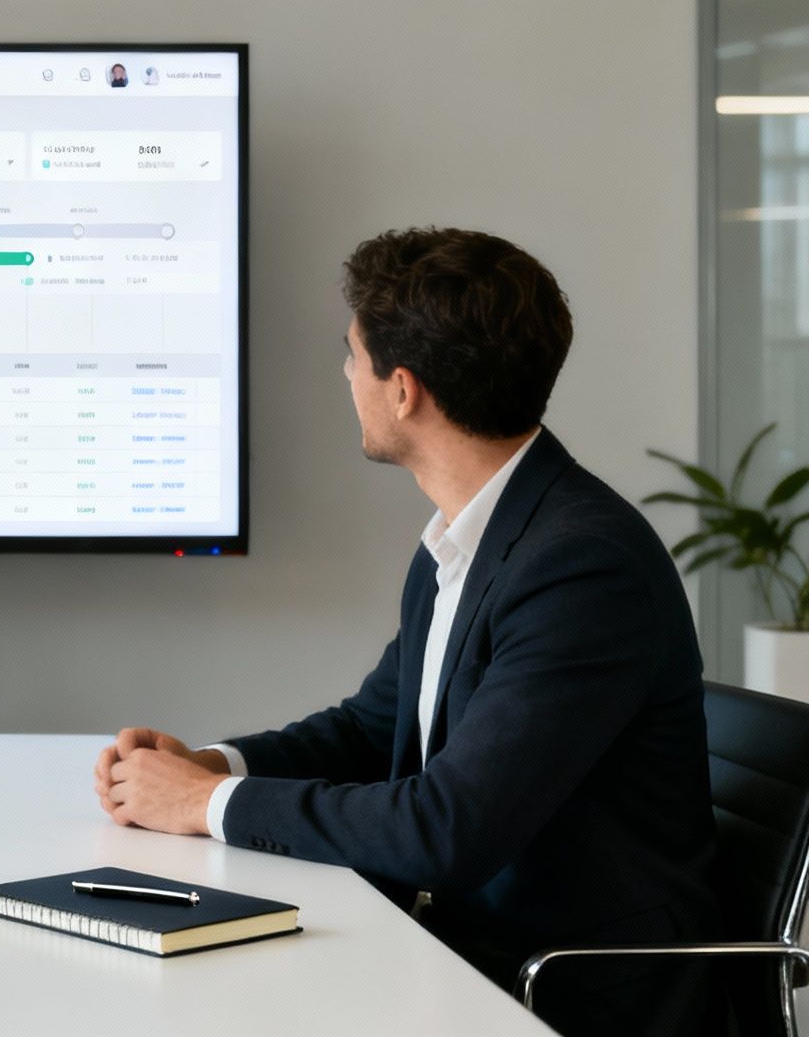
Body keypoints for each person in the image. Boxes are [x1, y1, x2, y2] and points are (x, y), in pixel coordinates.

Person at [92, 228, 719, 1037]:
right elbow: (375, 727)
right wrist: (211, 764)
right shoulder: (471, 536)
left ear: (403, 390)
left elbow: (446, 830)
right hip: (463, 955)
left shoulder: (582, 567)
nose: (345, 373)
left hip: (563, 992)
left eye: (353, 356)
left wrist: (208, 803)